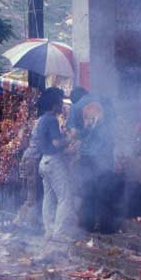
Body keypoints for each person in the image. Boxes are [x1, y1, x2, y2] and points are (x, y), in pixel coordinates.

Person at [68, 87, 117, 234]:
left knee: (89, 190)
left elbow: (73, 133)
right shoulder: (105, 103)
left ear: (75, 98)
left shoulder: (76, 107)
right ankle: (107, 227)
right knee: (106, 190)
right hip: (106, 155)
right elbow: (114, 127)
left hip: (88, 155)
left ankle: (87, 225)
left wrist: (80, 137)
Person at [36, 87, 76, 242]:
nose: (61, 105)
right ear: (54, 104)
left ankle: (49, 231)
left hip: (44, 161)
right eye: (60, 102)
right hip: (53, 162)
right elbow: (57, 142)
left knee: (49, 198)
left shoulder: (41, 119)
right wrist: (71, 138)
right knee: (65, 197)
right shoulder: (52, 119)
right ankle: (59, 233)